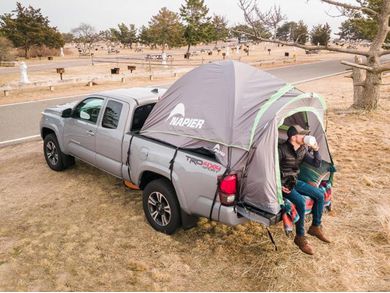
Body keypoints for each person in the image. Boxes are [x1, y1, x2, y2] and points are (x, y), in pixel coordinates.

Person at [279, 125, 331, 255]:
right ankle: (300, 237)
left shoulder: (302, 149)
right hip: (284, 184)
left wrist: (316, 149)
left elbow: (316, 164)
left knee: (319, 194)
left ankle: (315, 227)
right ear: (293, 137)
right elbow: (270, 168)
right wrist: (278, 185)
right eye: (302, 134)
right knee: (300, 202)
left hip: (295, 181)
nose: (305, 137)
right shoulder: (281, 150)